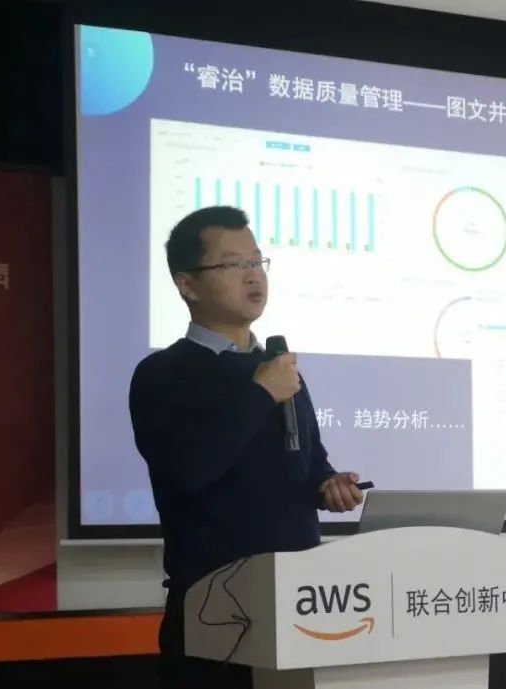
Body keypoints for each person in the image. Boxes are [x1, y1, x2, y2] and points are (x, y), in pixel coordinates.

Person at [128, 205, 364, 689]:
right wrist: (259, 393)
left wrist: (329, 485)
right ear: (187, 284)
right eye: (234, 264)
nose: (253, 276)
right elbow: (187, 470)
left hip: (299, 604)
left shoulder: (280, 370)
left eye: (257, 261)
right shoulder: (163, 374)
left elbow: (310, 464)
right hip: (215, 610)